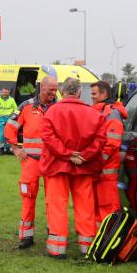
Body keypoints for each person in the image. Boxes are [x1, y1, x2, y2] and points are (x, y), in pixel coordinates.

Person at [39, 78, 106, 258]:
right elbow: (100, 140)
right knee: (85, 206)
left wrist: (67, 154)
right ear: (78, 93)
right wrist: (83, 156)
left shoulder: (51, 112)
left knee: (57, 206)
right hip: (84, 167)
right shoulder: (94, 114)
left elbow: (48, 138)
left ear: (62, 92)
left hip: (56, 166)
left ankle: (57, 248)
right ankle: (87, 246)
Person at [4, 76, 58, 248]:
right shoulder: (26, 106)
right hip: (31, 162)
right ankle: (27, 237)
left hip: (52, 162)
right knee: (28, 198)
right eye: (51, 89)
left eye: (56, 89)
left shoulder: (59, 108)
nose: (53, 92)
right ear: (41, 87)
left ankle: (54, 234)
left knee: (54, 199)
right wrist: (15, 149)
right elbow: (10, 126)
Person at [90, 81, 128, 225]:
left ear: (104, 94)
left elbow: (112, 142)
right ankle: (98, 240)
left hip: (105, 171)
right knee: (96, 206)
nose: (92, 97)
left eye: (94, 94)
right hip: (97, 170)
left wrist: (98, 161)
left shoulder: (111, 113)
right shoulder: (99, 110)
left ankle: (107, 240)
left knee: (107, 208)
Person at [0, 88, 18, 154]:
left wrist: (15, 116)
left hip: (9, 119)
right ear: (1, 92)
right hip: (0, 119)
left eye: (6, 92)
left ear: (8, 93)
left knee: (10, 133)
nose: (4, 94)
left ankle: (9, 147)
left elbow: (16, 109)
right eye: (3, 92)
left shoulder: (11, 100)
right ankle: (1, 147)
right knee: (2, 133)